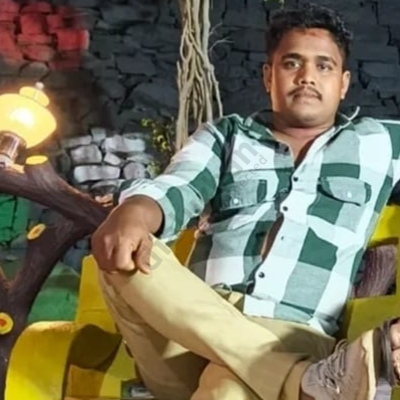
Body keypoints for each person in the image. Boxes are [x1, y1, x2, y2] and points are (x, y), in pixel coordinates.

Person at [91, 3, 400, 400]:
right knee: (126, 250)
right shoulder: (226, 137)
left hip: (292, 333)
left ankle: (286, 375)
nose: (307, 76)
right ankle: (308, 383)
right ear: (269, 75)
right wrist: (133, 212)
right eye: (292, 63)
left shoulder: (379, 142)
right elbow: (178, 186)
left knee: (226, 390)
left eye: (323, 66)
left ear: (343, 83)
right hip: (182, 337)